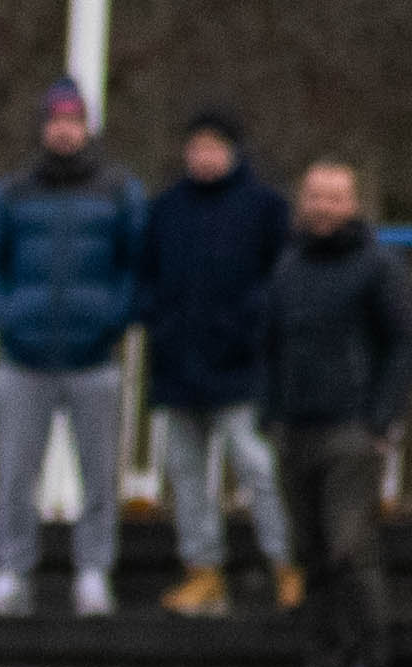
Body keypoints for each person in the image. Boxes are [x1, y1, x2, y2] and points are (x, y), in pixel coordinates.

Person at [0, 78, 148, 619]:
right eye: (55, 121)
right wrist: (6, 317)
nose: (64, 131)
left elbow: (137, 264)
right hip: (23, 359)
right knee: (15, 475)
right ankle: (11, 571)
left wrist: (113, 320)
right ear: (43, 126)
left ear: (87, 127)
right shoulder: (11, 191)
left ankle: (93, 572)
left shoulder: (119, 190)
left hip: (94, 359)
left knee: (99, 476)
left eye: (73, 121)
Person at [266, 160, 412, 667]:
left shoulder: (379, 266)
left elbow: (403, 345)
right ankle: (324, 663)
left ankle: (371, 662)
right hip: (295, 428)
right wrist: (271, 410)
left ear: (353, 204)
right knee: (309, 553)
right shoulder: (287, 265)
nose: (323, 208)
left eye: (334, 198)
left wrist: (381, 419)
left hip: (351, 430)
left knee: (348, 549)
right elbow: (270, 342)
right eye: (315, 196)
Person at [137, 107, 297, 613]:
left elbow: (282, 279)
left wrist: (248, 328)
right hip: (177, 364)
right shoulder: (165, 210)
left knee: (256, 467)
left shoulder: (265, 208)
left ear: (233, 151)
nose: (204, 157)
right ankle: (203, 571)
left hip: (239, 365)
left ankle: (288, 564)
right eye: (197, 147)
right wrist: (159, 321)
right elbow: (145, 277)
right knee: (185, 473)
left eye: (214, 147)